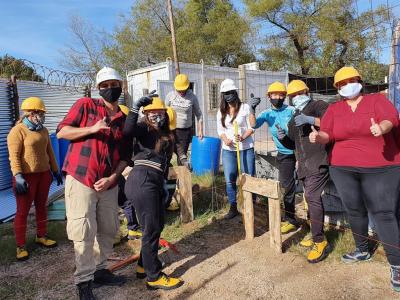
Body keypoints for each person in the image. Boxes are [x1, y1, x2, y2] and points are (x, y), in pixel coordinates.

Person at [309, 66, 400, 291]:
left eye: (351, 80)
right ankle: (362, 249)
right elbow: (327, 133)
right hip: (342, 168)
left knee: (384, 213)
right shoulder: (334, 109)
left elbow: (392, 119)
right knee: (354, 209)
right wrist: (318, 136)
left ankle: (397, 264)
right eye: (342, 83)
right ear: (337, 88)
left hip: (381, 166)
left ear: (360, 81)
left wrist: (382, 127)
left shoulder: (376, 101)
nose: (347, 85)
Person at [57, 67, 128, 300]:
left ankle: (100, 270)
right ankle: (84, 281)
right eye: (104, 86)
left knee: (108, 229)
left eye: (113, 84)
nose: (110, 89)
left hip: (108, 183)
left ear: (121, 85)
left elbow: (125, 156)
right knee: (83, 231)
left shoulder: (123, 119)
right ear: (98, 89)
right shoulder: (86, 105)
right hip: (81, 179)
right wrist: (92, 128)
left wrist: (113, 178)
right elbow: (62, 132)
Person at [123, 95, 186, 290]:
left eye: (159, 113)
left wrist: (182, 156)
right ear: (146, 114)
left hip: (154, 181)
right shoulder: (143, 129)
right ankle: (154, 276)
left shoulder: (165, 135)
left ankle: (144, 265)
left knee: (156, 225)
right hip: (142, 180)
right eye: (151, 113)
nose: (156, 116)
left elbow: (175, 148)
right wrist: (134, 109)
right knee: (150, 229)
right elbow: (127, 131)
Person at [278, 80, 330, 263]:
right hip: (305, 165)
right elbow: (292, 143)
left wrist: (311, 120)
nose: (296, 97)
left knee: (312, 197)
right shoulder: (294, 115)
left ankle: (320, 241)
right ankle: (313, 232)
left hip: (319, 160)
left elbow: (331, 124)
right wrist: (283, 138)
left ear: (307, 91)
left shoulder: (318, 105)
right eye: (293, 95)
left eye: (299, 93)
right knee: (309, 198)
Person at [7, 97, 63, 261]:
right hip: (26, 178)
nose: (43, 116)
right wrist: (18, 175)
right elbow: (14, 156)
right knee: (22, 211)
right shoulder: (18, 131)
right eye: (41, 113)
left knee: (41, 206)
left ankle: (41, 235)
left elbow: (50, 151)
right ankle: (20, 245)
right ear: (31, 113)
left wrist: (55, 170)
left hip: (43, 175)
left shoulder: (43, 130)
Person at [249, 82, 297, 233]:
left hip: (301, 152)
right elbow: (254, 125)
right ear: (269, 97)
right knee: (287, 187)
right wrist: (251, 109)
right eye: (274, 94)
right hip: (285, 154)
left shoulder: (292, 110)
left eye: (281, 94)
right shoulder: (267, 114)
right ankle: (291, 219)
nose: (278, 97)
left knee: (308, 187)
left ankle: (311, 221)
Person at [217, 79, 255, 219]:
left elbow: (252, 126)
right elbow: (220, 130)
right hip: (228, 151)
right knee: (230, 178)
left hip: (245, 148)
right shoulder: (221, 111)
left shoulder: (245, 107)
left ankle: (251, 206)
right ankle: (233, 207)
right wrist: (225, 139)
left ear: (235, 92)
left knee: (248, 177)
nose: (229, 95)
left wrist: (244, 136)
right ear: (223, 95)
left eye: (231, 92)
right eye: (226, 93)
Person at [165, 73, 203, 165]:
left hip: (185, 132)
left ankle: (181, 178)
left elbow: (199, 115)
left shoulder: (192, 97)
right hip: (171, 130)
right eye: (179, 90)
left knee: (182, 157)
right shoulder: (170, 96)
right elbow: (164, 112)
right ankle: (167, 177)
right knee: (167, 155)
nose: (181, 91)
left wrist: (200, 130)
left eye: (183, 89)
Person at [117, 105, 142, 240]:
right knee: (126, 201)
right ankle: (132, 229)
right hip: (114, 173)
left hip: (110, 173)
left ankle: (113, 236)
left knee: (107, 205)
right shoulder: (122, 135)